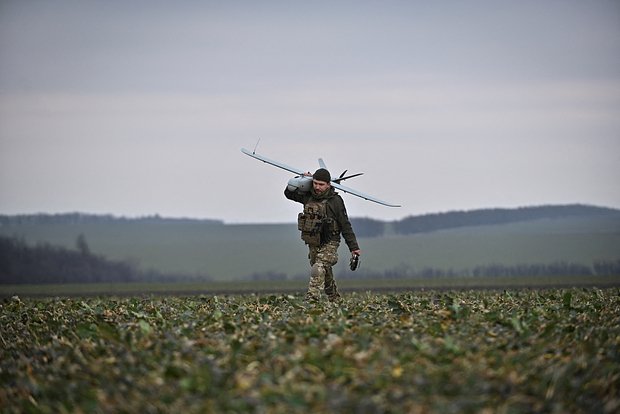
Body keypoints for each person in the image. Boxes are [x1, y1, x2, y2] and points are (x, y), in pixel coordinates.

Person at [285, 168, 361, 302]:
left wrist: (353, 247)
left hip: (331, 241)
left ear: (328, 185)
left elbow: (345, 224)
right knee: (324, 271)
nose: (317, 187)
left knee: (318, 268)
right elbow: (289, 193)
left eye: (321, 184)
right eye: (315, 183)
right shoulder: (308, 195)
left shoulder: (336, 201)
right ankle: (334, 298)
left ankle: (311, 299)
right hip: (314, 240)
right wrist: (300, 179)